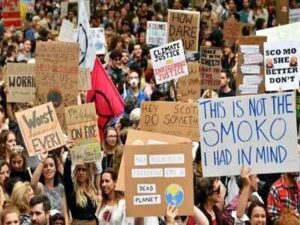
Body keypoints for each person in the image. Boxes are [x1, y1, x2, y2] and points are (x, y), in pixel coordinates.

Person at [31, 150, 68, 224]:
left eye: (51, 165)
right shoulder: (41, 187)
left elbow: (65, 213)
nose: (48, 168)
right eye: (45, 166)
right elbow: (33, 184)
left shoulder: (61, 187)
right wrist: (42, 162)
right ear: (42, 170)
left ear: (56, 168)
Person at [64, 149, 98, 225]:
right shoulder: (72, 190)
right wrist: (70, 154)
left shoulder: (93, 190)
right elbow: (66, 176)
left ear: (88, 172)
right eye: (79, 169)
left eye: (84, 170)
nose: (81, 172)